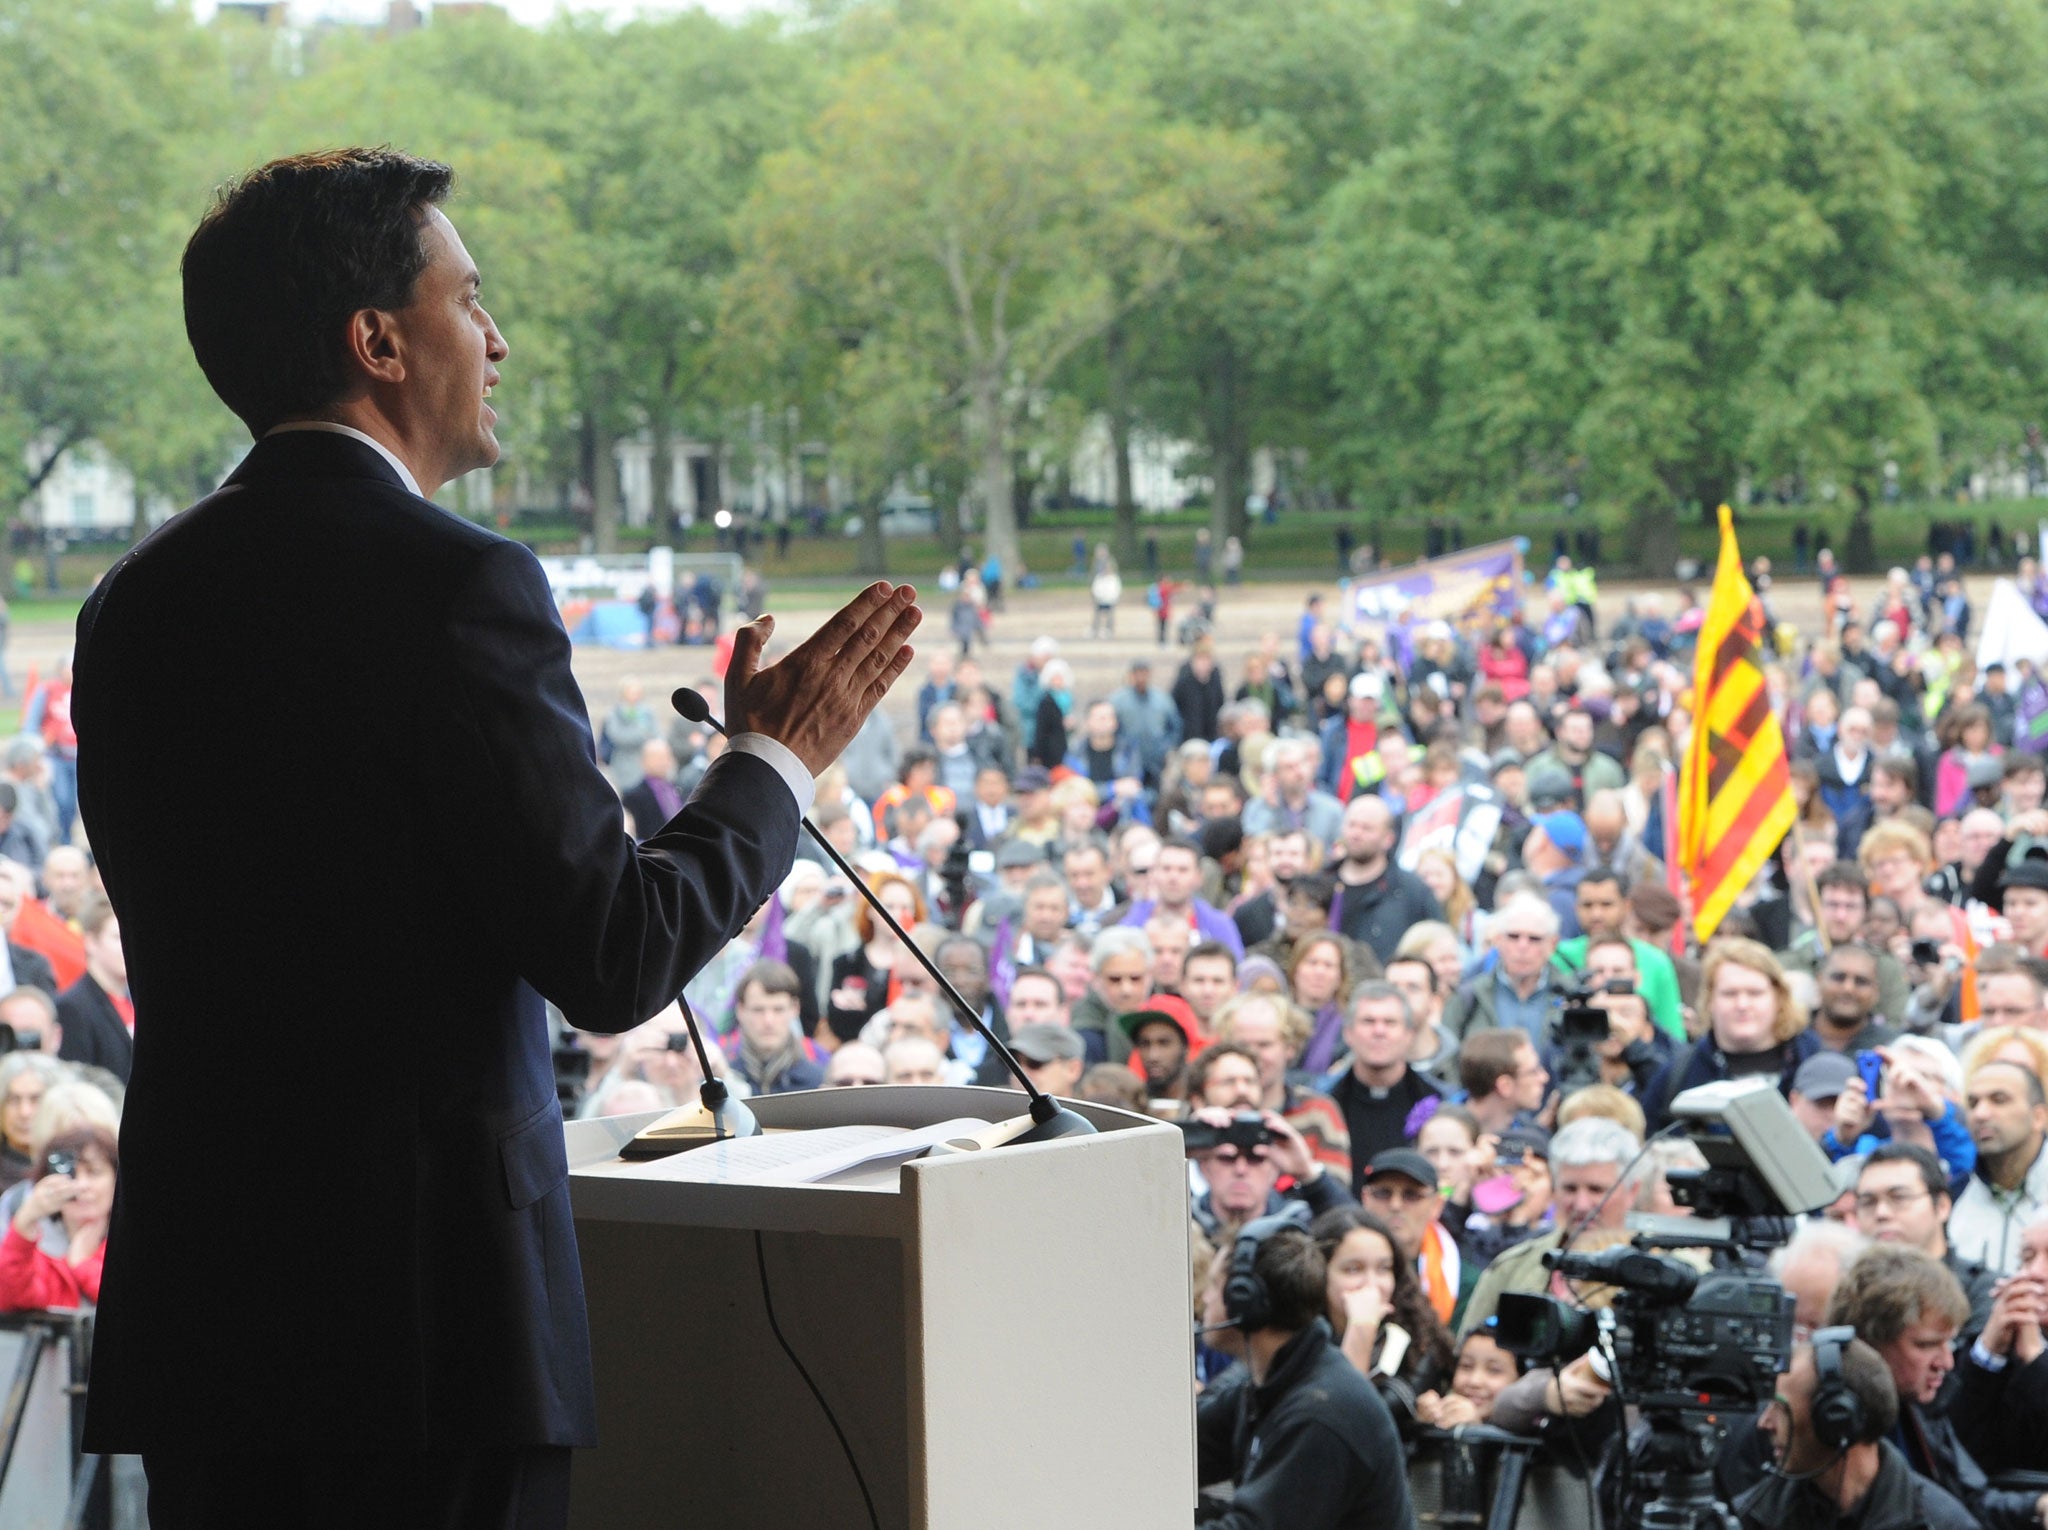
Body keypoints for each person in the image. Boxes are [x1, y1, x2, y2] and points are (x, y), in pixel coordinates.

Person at [75, 150, 918, 1525]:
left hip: (210, 1316)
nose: (500, 335)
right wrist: (775, 760)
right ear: (379, 342)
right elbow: (613, 950)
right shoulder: (457, 586)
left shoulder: (131, 603)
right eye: (472, 298)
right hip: (424, 1333)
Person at [1194, 1218, 1415, 1530]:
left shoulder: (1321, 1412)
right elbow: (1172, 1455)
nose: (1205, 1298)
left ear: (1245, 1301)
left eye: (1215, 1285)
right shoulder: (1272, 1384)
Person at [1736, 1331, 1975, 1530]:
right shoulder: (1752, 1515)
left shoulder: (1942, 1523)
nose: (1764, 1423)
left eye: (1781, 1409)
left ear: (1837, 1420)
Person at [1323, 983, 1444, 1192]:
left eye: (1390, 1022)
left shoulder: (1439, 1103)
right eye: (1368, 1021)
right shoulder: (1322, 1103)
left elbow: (1448, 1187)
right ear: (1348, 1033)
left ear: (1409, 1034)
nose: (1379, 1031)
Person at [0, 1121, 116, 1312]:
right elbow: (10, 1296)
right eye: (71, 1173)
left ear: (116, 1179)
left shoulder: (132, 1241)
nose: (81, 1185)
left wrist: (82, 1265)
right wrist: (26, 1219)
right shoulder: (43, 1249)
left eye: (94, 1172)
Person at [1950, 1059, 2048, 1275]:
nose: (1981, 1114)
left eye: (1999, 1100)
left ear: (2038, 1117)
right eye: (1973, 1103)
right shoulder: (1953, 1197)